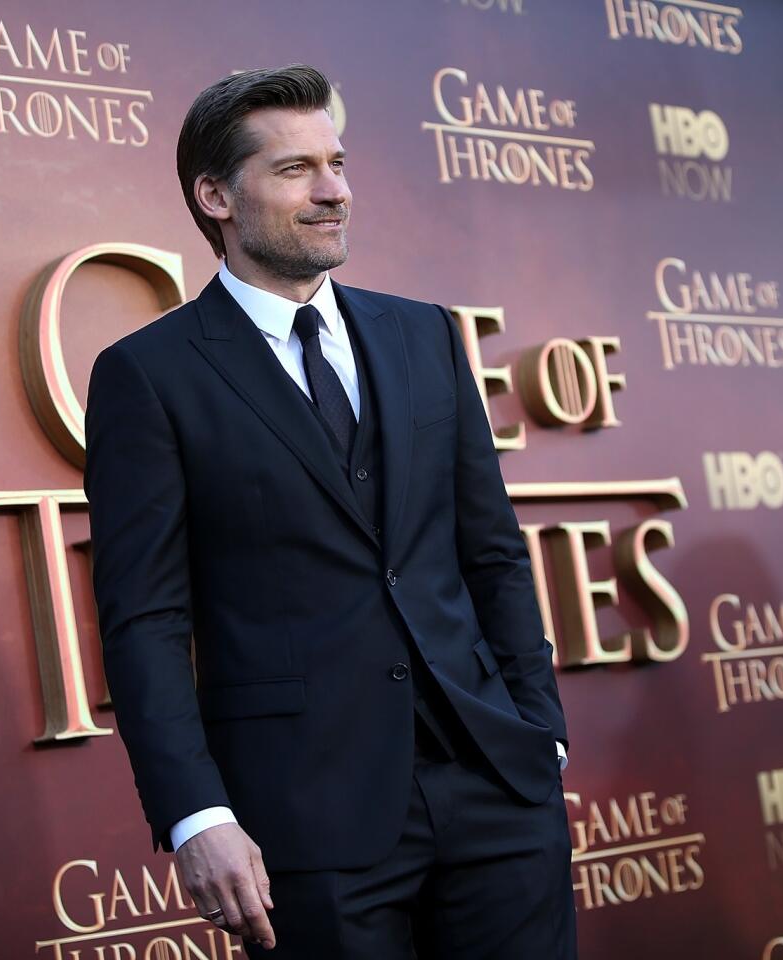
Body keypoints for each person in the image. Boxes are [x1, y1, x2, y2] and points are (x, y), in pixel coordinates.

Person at [84, 64, 576, 959]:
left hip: (497, 789)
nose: (334, 191)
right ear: (214, 195)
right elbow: (145, 621)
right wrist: (197, 814)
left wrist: (538, 734)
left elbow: (492, 554)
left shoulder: (422, 332)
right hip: (303, 822)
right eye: (294, 170)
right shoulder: (149, 376)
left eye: (337, 163)